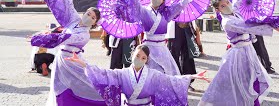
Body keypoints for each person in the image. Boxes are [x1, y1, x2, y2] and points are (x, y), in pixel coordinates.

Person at [198, 0, 279, 106]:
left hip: (248, 50)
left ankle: (251, 102)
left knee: (253, 77)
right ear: (217, 9)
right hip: (238, 54)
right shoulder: (227, 22)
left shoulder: (234, 10)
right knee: (235, 81)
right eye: (222, 5)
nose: (227, 5)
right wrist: (273, 26)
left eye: (227, 2)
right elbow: (248, 26)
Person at [30, 0, 105, 105]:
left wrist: (40, 38)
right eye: (88, 13)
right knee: (57, 87)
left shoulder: (85, 35)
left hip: (73, 62)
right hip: (61, 60)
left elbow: (64, 38)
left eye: (93, 18)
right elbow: (69, 4)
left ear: (94, 23)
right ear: (84, 13)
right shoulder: (75, 19)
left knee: (82, 86)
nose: (89, 17)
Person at [66, 45, 209, 105]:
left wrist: (191, 76)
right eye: (137, 55)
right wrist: (84, 64)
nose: (139, 59)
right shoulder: (121, 74)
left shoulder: (153, 75)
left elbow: (170, 80)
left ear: (147, 61)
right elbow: (103, 74)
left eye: (143, 58)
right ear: (132, 55)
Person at [113, 0, 193, 75]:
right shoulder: (143, 11)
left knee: (165, 72)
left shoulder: (166, 13)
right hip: (147, 47)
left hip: (162, 48)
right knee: (147, 73)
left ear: (163, 1)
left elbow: (182, 4)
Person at [166, 21, 200, 91]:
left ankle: (187, 81)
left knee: (188, 55)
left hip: (187, 23)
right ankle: (176, 80)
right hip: (174, 25)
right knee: (174, 55)